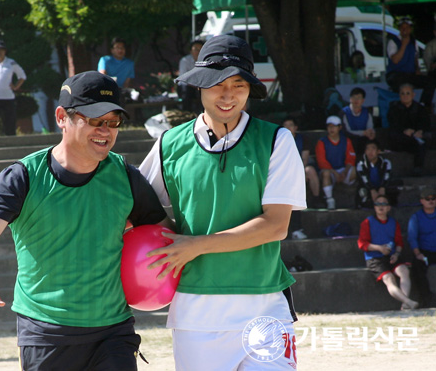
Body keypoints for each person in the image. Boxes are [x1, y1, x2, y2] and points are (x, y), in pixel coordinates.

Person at [0, 71, 170, 370]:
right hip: (45, 332)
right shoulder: (24, 177)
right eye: (96, 120)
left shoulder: (125, 176)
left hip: (113, 331)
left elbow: (163, 235)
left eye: (114, 122)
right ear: (62, 117)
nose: (106, 130)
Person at [139, 35, 305, 370]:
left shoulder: (276, 140)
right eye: (216, 84)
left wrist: (196, 245)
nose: (227, 95)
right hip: (195, 314)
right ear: (200, 85)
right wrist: (170, 239)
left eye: (238, 84)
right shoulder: (169, 144)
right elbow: (137, 206)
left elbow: (276, 226)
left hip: (265, 308)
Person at [358, 195, 418, 310]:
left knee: (404, 271)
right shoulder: (367, 222)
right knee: (389, 279)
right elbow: (362, 244)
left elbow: (399, 242)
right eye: (378, 204)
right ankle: (408, 301)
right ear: (374, 207)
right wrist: (379, 248)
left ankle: (405, 304)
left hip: (391, 256)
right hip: (374, 258)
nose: (381, 207)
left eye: (384, 204)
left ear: (389, 208)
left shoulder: (393, 223)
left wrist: (396, 254)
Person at [386, 17, 436, 111]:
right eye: (402, 27)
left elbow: (415, 58)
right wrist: (404, 44)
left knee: (430, 82)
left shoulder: (413, 42)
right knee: (401, 83)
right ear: (399, 29)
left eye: (407, 27)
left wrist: (417, 70)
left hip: (410, 74)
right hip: (396, 74)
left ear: (410, 29)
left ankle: (424, 106)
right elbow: (395, 60)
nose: (405, 30)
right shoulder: (393, 41)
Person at [0, 40, 27, 137]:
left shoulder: (11, 63)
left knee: (9, 121)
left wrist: (16, 86)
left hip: (8, 97)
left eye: (1, 49)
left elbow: (22, 76)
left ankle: (11, 140)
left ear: (5, 51)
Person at [387, 83, 431, 176]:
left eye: (408, 93)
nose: (405, 96)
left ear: (413, 95)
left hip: (415, 137)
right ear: (399, 95)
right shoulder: (394, 108)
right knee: (394, 135)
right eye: (402, 93)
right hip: (401, 138)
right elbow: (393, 123)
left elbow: (425, 123)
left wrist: (420, 131)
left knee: (423, 140)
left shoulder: (420, 108)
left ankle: (418, 168)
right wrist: (404, 130)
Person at [315, 116, 357, 210]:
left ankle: (350, 190)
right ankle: (330, 199)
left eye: (334, 126)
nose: (331, 129)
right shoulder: (322, 142)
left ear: (340, 127)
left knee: (354, 170)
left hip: (343, 169)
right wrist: (335, 173)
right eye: (329, 126)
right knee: (325, 173)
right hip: (330, 172)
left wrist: (345, 172)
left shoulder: (346, 141)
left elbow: (351, 158)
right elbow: (322, 162)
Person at [408, 187, 436, 308]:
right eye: (427, 199)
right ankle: (427, 298)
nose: (431, 201)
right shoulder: (416, 217)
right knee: (417, 266)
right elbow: (412, 237)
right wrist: (418, 253)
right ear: (422, 201)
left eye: (433, 198)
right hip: (425, 252)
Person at [282, 117, 320, 202]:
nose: (288, 128)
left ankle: (316, 199)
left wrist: (298, 173)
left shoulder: (303, 139)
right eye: (285, 125)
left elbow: (305, 158)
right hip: (285, 169)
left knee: (310, 170)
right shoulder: (278, 140)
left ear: (296, 127)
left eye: (290, 125)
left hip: (301, 167)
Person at [356, 139, 399, 208]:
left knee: (396, 185)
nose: (370, 152)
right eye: (368, 149)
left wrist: (382, 187)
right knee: (361, 190)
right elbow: (363, 179)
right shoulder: (361, 164)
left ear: (378, 151)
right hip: (369, 188)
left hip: (382, 187)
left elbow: (387, 176)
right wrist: (372, 189)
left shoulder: (386, 163)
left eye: (373, 149)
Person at [339, 87, 375, 157]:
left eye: (359, 98)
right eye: (354, 97)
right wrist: (363, 133)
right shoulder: (343, 112)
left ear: (363, 100)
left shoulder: (367, 112)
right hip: (348, 139)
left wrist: (371, 133)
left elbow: (370, 128)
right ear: (350, 99)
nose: (356, 100)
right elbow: (346, 131)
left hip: (363, 139)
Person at [178, 40, 204, 114]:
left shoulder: (206, 61)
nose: (198, 52)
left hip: (200, 86)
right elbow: (184, 78)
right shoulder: (185, 61)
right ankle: (186, 114)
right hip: (187, 86)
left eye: (200, 50)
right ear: (191, 51)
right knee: (186, 91)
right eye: (196, 49)